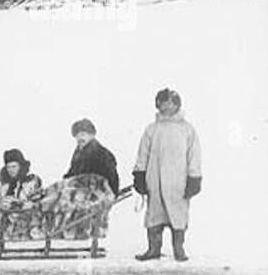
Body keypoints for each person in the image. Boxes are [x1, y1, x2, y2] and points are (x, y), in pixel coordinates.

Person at [133, 88, 202, 262]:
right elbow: (143, 154)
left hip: (178, 183)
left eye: (171, 102)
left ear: (177, 104)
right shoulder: (152, 129)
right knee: (154, 214)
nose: (167, 106)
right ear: (158, 105)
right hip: (155, 180)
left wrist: (194, 178)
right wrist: (139, 174)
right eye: (163, 102)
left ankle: (179, 249)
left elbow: (194, 156)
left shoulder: (187, 130)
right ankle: (153, 249)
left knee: (178, 215)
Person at [63, 118, 119, 195]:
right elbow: (71, 174)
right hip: (81, 194)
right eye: (77, 136)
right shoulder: (78, 154)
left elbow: (111, 182)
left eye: (83, 134)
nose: (80, 138)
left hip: (98, 196)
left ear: (91, 135)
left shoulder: (102, 154)